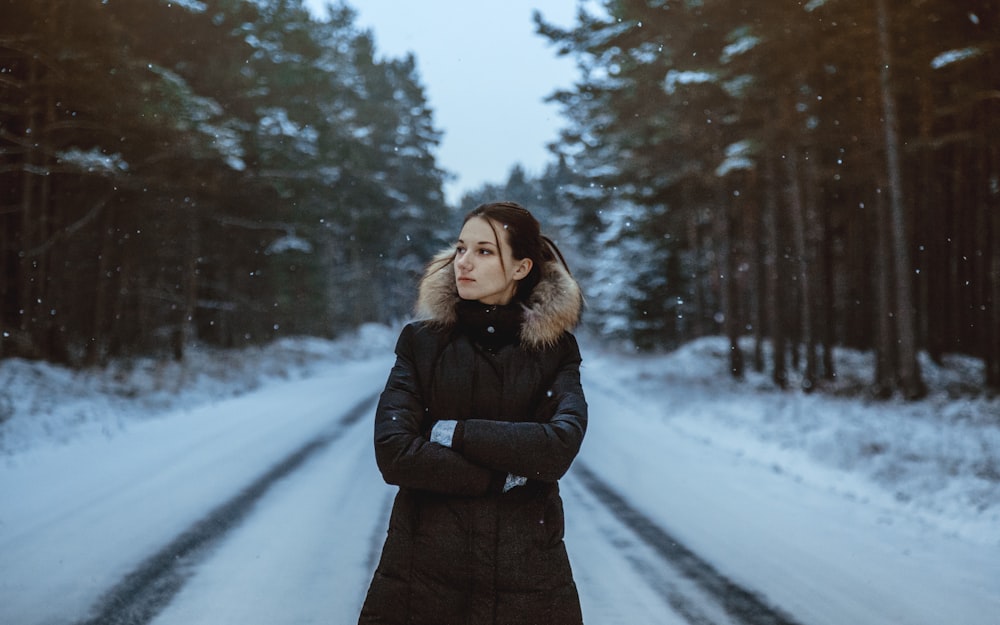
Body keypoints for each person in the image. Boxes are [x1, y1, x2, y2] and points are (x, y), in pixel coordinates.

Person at [358, 201, 588, 625]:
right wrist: (499, 477)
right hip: (422, 576)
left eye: (484, 251)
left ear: (520, 267)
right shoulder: (421, 343)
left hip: (528, 576)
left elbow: (556, 448)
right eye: (461, 248)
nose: (463, 262)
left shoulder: (554, 351)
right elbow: (394, 451)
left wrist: (453, 433)